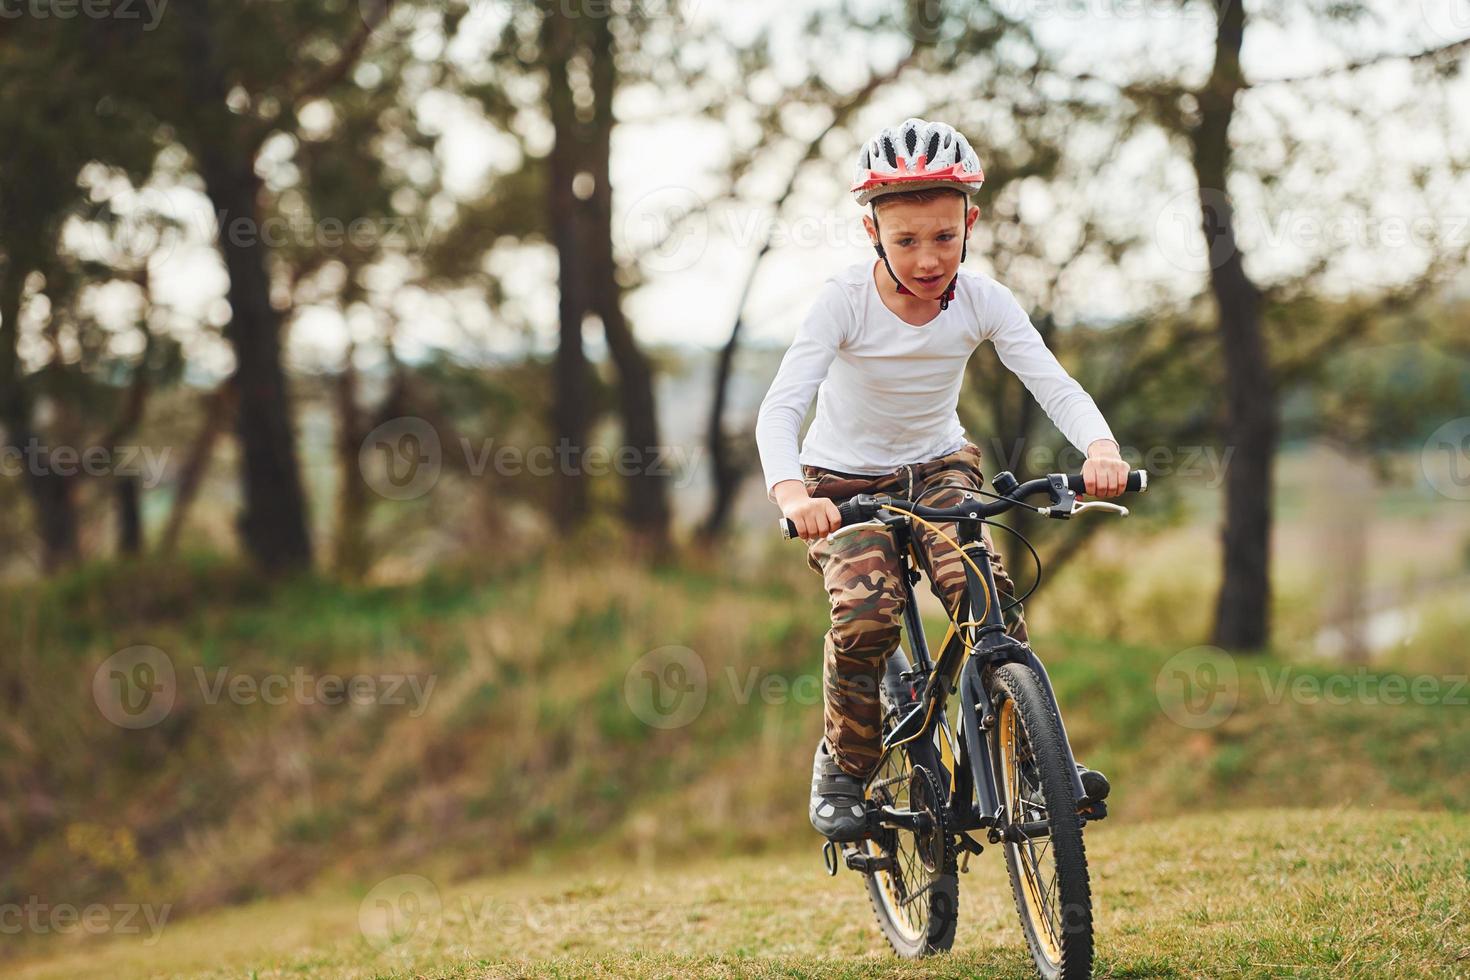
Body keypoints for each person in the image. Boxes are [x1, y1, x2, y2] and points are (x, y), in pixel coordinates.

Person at [754, 117, 1130, 842]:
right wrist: (793, 494)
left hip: (939, 468)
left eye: (944, 237)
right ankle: (843, 763)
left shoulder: (985, 300)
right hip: (839, 483)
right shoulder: (844, 302)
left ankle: (1033, 763)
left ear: (971, 223)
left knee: (983, 593)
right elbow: (783, 405)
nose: (928, 259)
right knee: (868, 616)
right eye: (905, 240)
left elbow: (1052, 382)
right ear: (873, 233)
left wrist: (1100, 448)